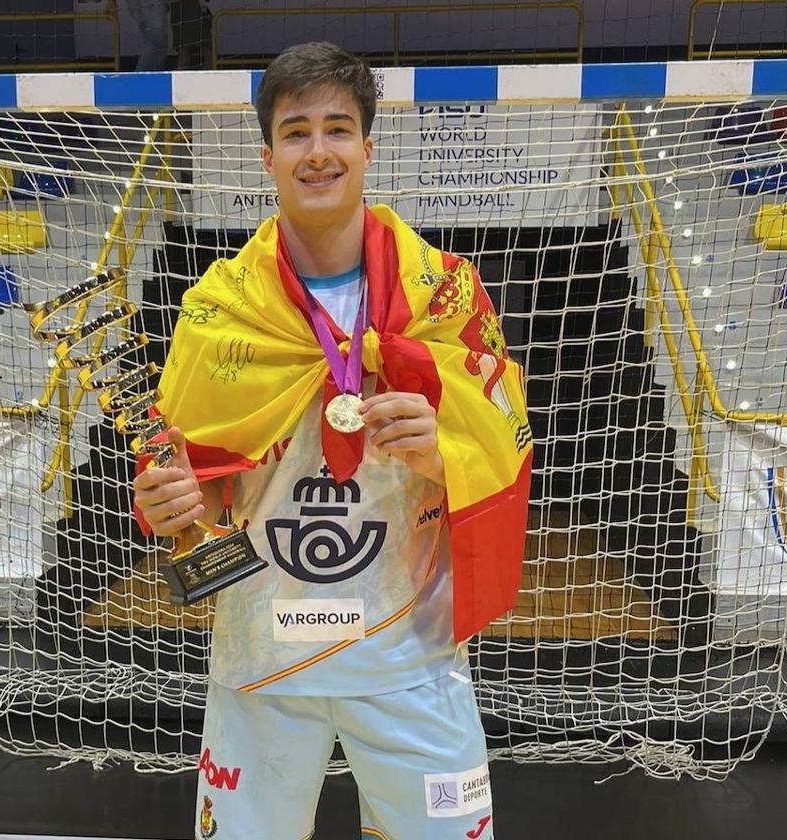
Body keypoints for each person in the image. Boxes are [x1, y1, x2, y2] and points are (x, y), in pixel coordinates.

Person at [133, 41, 533, 840]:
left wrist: (442, 443)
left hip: (409, 656)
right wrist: (168, 501)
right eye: (296, 131)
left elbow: (506, 442)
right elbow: (193, 484)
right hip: (262, 658)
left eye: (338, 129)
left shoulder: (444, 292)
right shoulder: (219, 311)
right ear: (268, 156)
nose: (319, 151)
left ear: (368, 148)